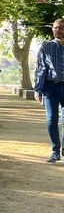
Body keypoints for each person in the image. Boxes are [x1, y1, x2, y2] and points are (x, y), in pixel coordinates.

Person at [34, 18, 64, 163]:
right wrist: (38, 90)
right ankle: (55, 151)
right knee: (51, 119)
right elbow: (41, 69)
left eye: (61, 28)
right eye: (56, 28)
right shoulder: (46, 47)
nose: (58, 31)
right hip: (50, 87)